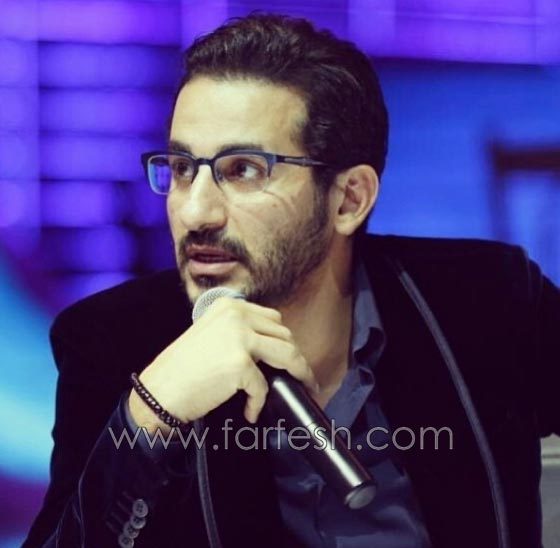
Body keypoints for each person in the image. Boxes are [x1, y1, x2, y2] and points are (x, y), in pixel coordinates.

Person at [24, 13, 559, 548]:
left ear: (348, 199)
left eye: (243, 170)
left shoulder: (488, 299)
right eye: (183, 168)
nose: (194, 211)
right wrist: (153, 413)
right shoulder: (112, 343)